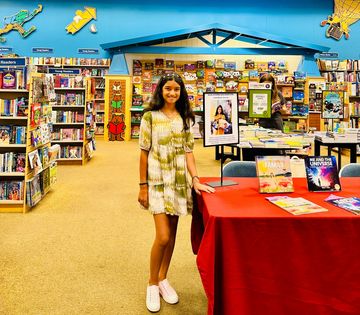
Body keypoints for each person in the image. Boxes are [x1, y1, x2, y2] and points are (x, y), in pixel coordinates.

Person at [137, 72, 215, 313]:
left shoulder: (185, 119)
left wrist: (195, 179)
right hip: (157, 182)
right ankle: (151, 283)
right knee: (161, 236)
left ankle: (163, 278)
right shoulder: (149, 118)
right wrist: (142, 186)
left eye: (176, 90)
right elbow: (143, 152)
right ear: (160, 90)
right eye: (168, 88)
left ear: (181, 93)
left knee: (171, 236)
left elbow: (188, 151)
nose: (172, 93)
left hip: (179, 182)